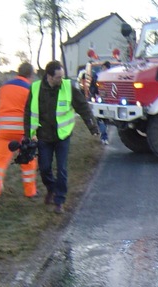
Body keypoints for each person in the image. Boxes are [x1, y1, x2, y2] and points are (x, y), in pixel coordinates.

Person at [24, 60, 100, 214]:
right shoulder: (36, 88)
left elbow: (83, 108)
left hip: (62, 136)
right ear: (49, 77)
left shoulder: (68, 88)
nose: (61, 79)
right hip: (43, 137)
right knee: (44, 168)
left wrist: (93, 127)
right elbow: (28, 113)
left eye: (62, 76)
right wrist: (27, 135)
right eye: (58, 77)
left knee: (62, 170)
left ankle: (60, 200)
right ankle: (51, 189)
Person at [0, 62, 37, 207]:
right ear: (30, 75)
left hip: (3, 131)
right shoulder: (30, 89)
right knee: (28, 160)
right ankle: (30, 192)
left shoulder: (3, 88)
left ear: (18, 72)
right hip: (21, 132)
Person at [91, 60, 110, 145]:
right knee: (102, 119)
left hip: (101, 100)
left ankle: (104, 137)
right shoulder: (111, 76)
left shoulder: (98, 76)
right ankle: (104, 136)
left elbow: (93, 87)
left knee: (101, 119)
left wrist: (93, 95)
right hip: (104, 100)